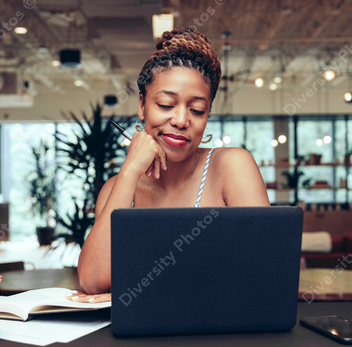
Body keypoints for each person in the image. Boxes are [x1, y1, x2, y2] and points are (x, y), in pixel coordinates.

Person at [76, 28, 270, 296]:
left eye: (197, 110)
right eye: (166, 105)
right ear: (142, 106)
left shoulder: (232, 167)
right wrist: (130, 170)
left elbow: (267, 271)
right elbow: (93, 282)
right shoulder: (116, 190)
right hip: (138, 337)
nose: (181, 120)